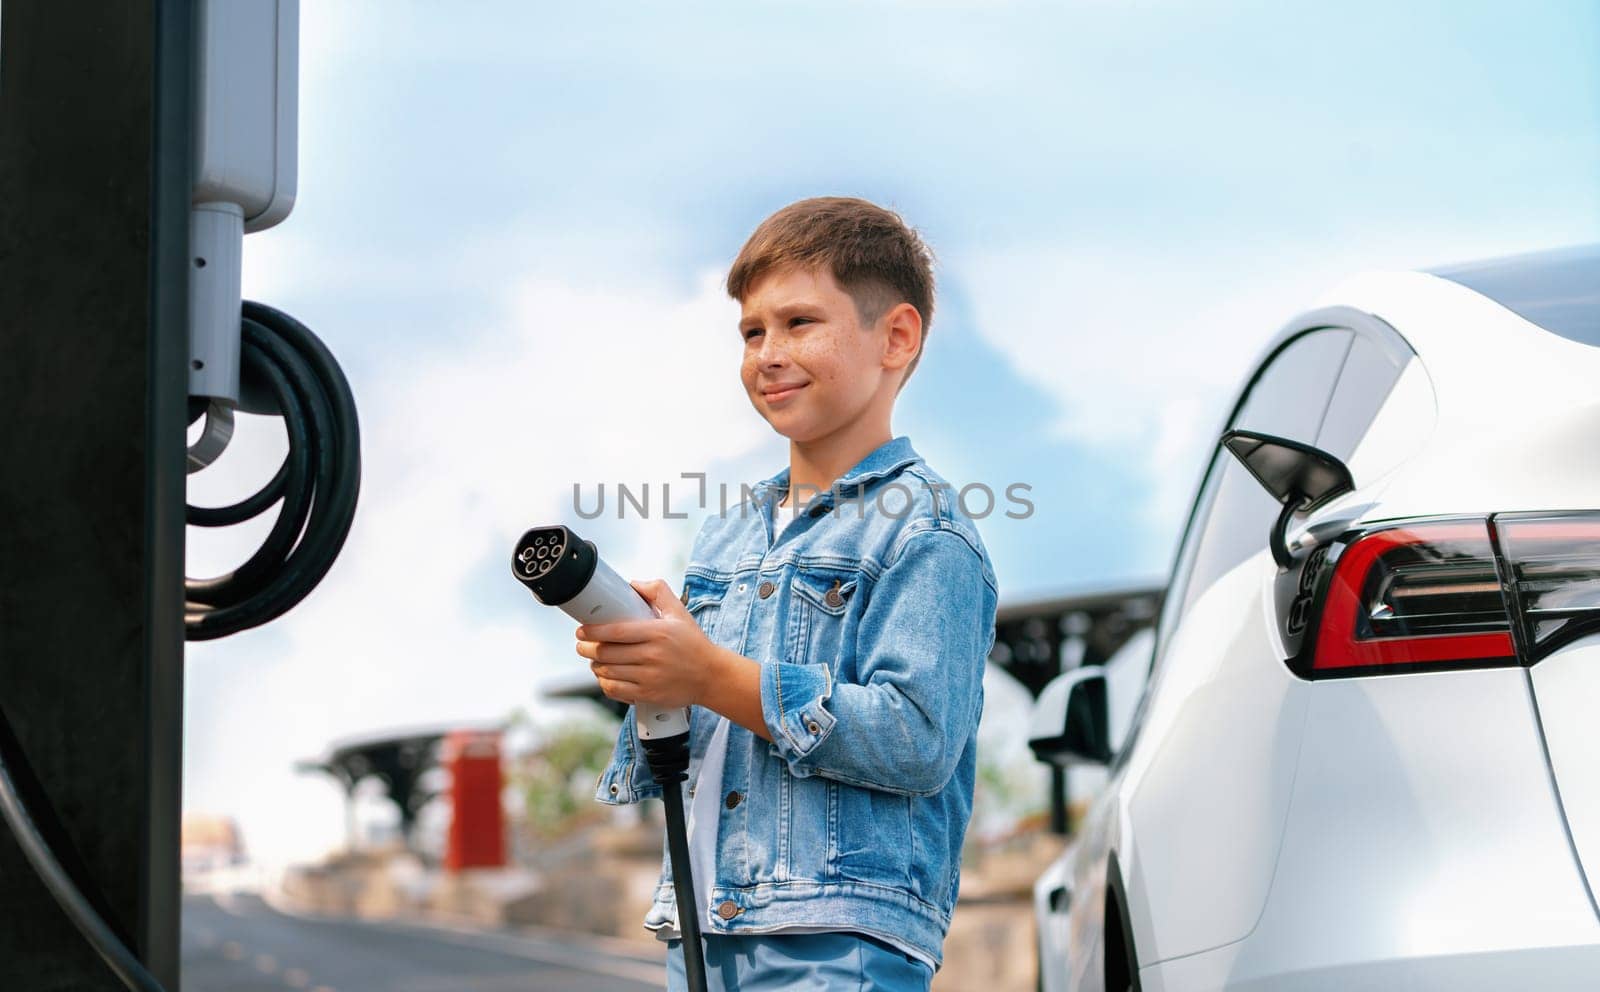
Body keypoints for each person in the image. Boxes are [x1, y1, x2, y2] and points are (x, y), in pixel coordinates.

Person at [576, 196, 999, 991]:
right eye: (751, 331)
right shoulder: (729, 535)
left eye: (801, 323)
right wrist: (652, 671)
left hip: (840, 938)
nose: (769, 353)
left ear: (896, 338)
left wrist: (708, 675)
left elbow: (916, 739)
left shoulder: (926, 532)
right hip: (707, 925)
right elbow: (707, 734)